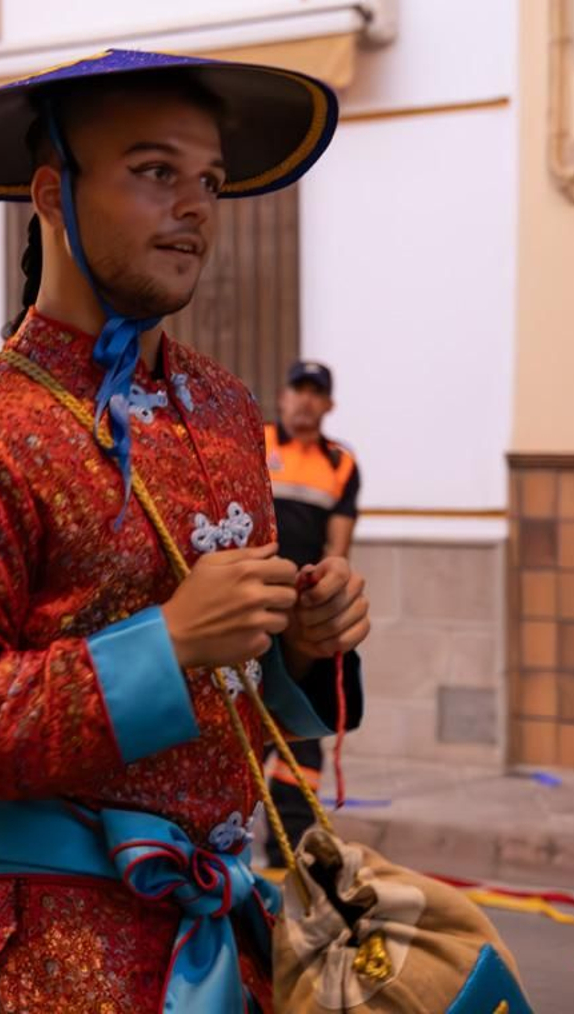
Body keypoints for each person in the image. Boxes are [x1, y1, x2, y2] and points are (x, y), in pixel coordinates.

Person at [0, 50, 371, 1012]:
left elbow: (236, 685)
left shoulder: (222, 406)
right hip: (40, 958)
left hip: (224, 947)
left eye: (211, 181)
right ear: (54, 194)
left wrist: (300, 647)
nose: (195, 207)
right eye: (155, 172)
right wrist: (170, 641)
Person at [262, 359, 360, 865]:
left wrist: (327, 602)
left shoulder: (340, 464)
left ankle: (290, 861)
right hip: (253, 609)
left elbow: (337, 552)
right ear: (282, 398)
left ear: (328, 405)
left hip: (301, 621)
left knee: (302, 746)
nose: (303, 401)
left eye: (314, 393)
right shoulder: (256, 443)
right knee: (243, 731)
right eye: (296, 390)